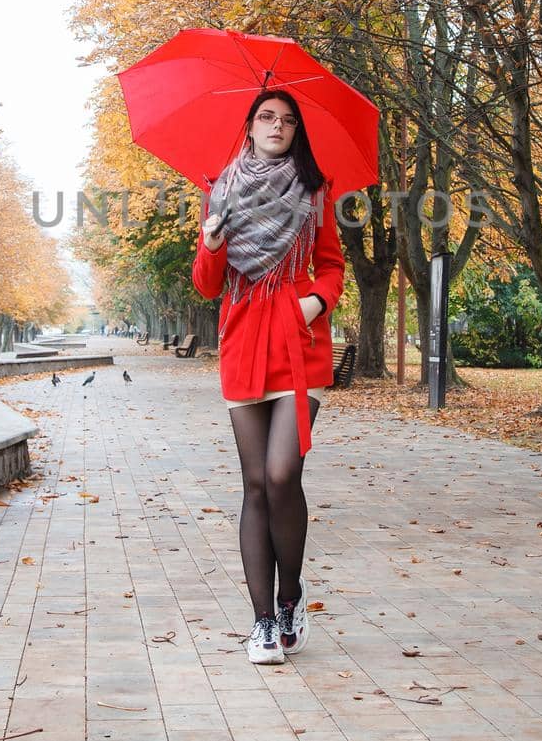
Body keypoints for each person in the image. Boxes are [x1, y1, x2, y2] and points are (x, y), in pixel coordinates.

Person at [192, 89, 345, 666]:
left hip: (297, 341)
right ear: (250, 127)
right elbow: (208, 284)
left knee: (283, 475)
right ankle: (261, 623)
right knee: (255, 484)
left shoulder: (314, 190)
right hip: (242, 341)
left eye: (287, 119)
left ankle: (290, 598)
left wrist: (314, 303)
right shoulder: (221, 192)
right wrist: (210, 243)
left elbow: (331, 266)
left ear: (296, 130)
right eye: (267, 117)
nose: (277, 126)